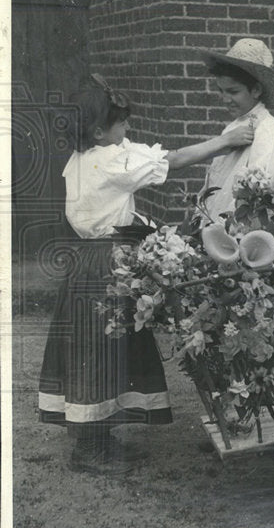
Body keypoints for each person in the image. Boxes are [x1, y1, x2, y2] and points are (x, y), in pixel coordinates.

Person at [38, 74, 257, 475]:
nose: (128, 129)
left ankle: (100, 436)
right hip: (106, 263)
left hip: (91, 261)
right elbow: (171, 160)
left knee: (105, 347)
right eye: (120, 123)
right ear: (98, 130)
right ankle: (89, 450)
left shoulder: (82, 160)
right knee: (101, 350)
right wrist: (226, 141)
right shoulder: (111, 160)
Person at [200, 38, 274, 220]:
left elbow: (259, 196)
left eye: (233, 92)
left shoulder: (268, 131)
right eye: (221, 91)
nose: (225, 99)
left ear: (256, 90)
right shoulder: (234, 127)